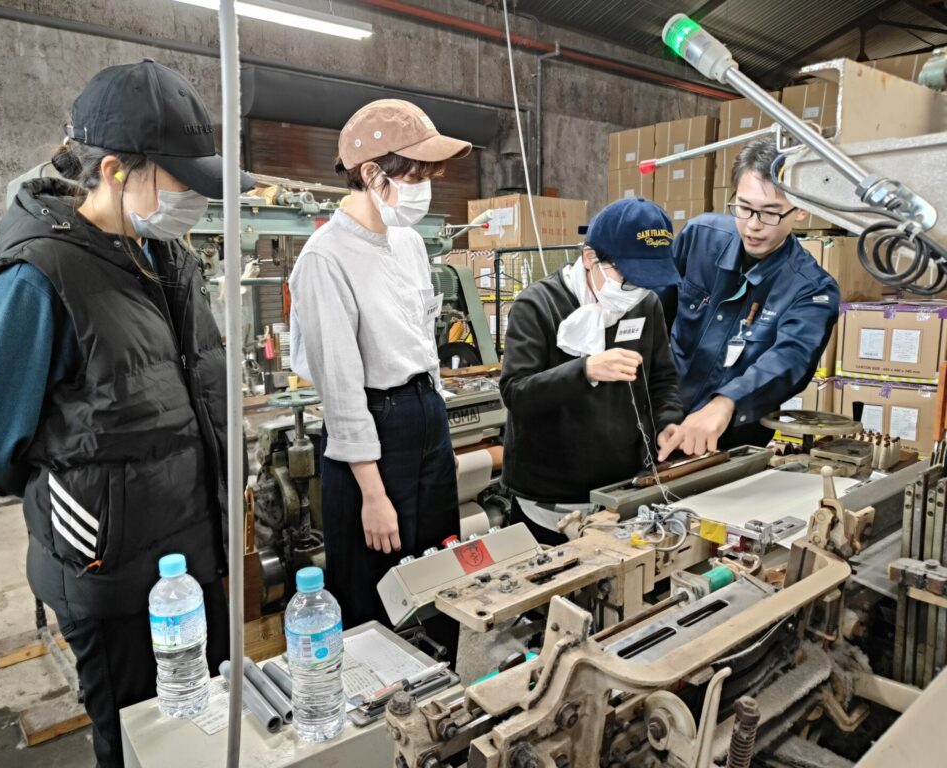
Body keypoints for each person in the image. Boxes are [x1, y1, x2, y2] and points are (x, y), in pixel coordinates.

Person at [0, 59, 255, 768]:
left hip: (192, 560)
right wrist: (85, 500)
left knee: (199, 739)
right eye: (181, 183)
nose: (194, 200)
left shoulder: (167, 259)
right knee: (138, 746)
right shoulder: (38, 276)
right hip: (110, 578)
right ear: (115, 171)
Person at [289, 99, 471, 633]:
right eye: (415, 176)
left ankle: (444, 674)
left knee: (441, 572)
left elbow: (422, 342)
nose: (425, 188)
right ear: (371, 174)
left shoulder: (409, 243)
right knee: (375, 589)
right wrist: (372, 493)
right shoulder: (325, 258)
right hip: (373, 428)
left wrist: (439, 436)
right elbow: (342, 390)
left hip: (424, 413)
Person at [500, 199, 684, 544]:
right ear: (589, 258)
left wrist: (669, 421)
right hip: (550, 495)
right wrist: (584, 371)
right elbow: (516, 393)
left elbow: (663, 377)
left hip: (621, 490)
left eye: (646, 281)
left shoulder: (646, 304)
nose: (634, 291)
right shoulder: (538, 305)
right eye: (626, 278)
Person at [658, 137, 840, 462]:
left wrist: (725, 403)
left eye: (771, 213)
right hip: (660, 423)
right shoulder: (699, 237)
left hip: (730, 444)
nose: (753, 226)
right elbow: (655, 318)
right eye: (744, 208)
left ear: (801, 209)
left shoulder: (813, 289)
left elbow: (790, 360)